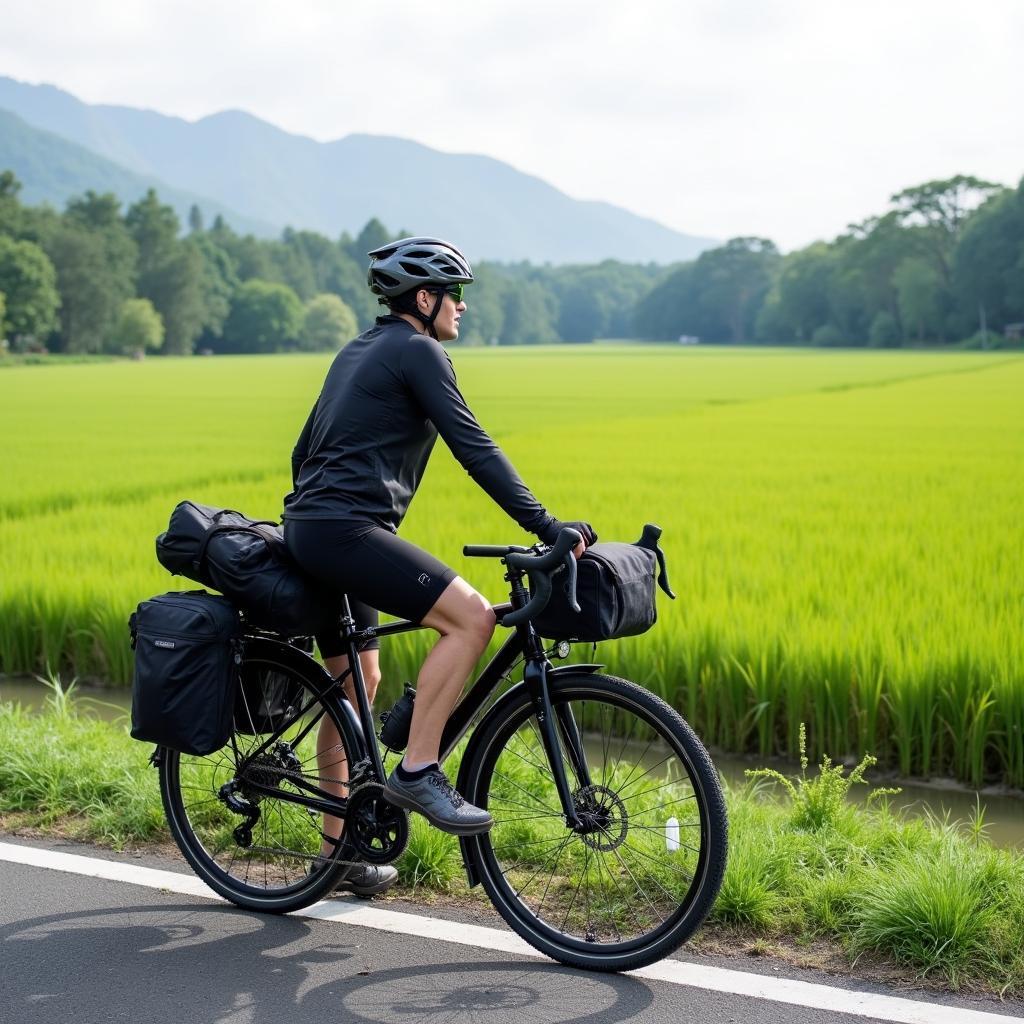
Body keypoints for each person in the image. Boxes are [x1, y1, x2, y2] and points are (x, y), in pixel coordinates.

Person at [283, 237, 595, 897]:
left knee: (358, 683)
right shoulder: (420, 350)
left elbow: (301, 450)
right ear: (423, 300)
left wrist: (324, 522)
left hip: (317, 528)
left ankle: (336, 857)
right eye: (455, 295)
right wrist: (547, 525)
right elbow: (472, 445)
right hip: (343, 531)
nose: (461, 308)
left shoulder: (360, 349)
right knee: (471, 619)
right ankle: (418, 769)